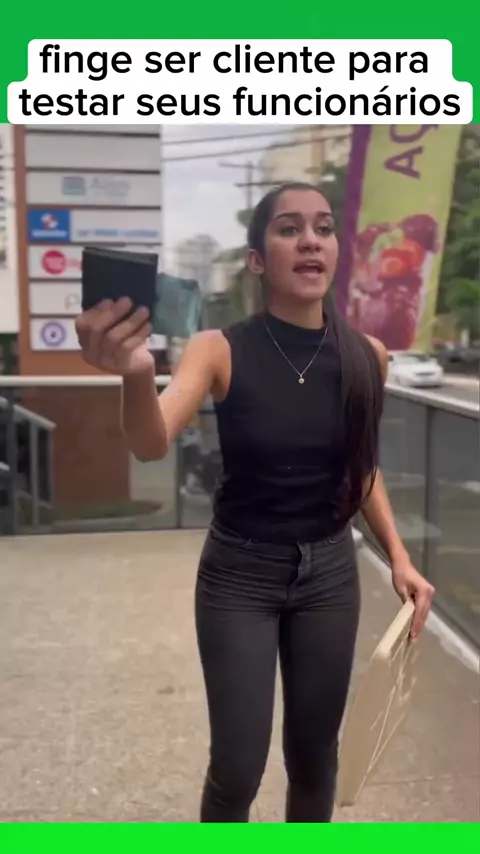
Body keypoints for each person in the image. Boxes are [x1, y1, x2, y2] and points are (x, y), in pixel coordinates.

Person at [75, 182, 434, 823]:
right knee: (238, 767)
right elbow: (151, 442)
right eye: (289, 229)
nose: (310, 240)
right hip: (239, 574)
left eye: (323, 228)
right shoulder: (218, 348)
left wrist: (400, 557)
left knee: (315, 760)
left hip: (330, 574)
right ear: (258, 260)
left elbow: (362, 468)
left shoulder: (367, 357)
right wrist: (135, 372)